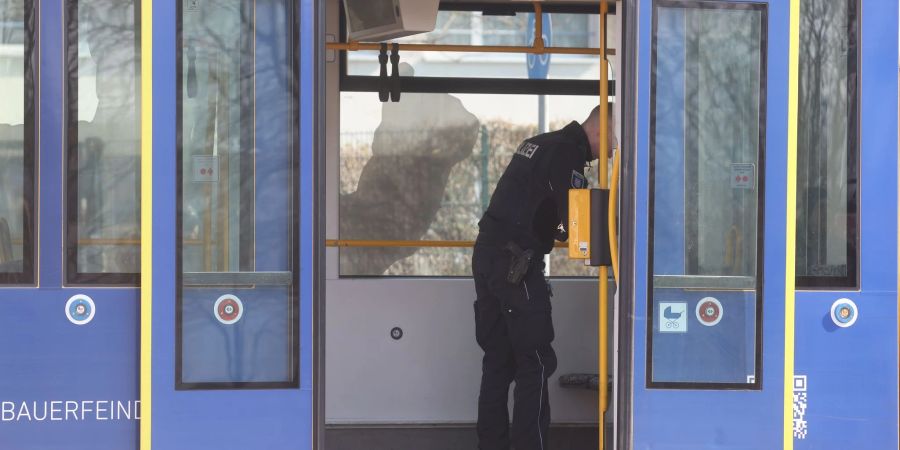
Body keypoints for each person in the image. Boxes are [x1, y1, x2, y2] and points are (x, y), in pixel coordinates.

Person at [472, 105, 615, 450]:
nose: (612, 152)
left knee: (498, 360)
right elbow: (573, 226)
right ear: (603, 129)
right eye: (615, 141)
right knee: (535, 362)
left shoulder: (539, 142)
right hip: (516, 265)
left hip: (488, 255)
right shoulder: (568, 155)